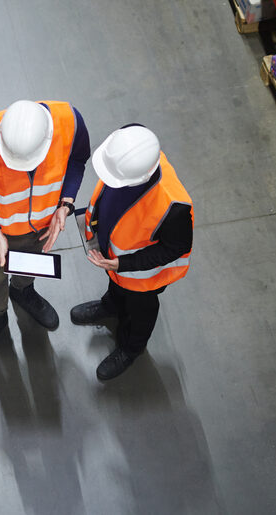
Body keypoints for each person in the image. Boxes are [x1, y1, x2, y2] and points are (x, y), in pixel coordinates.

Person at [0, 99, 90, 365]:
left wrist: (65, 204)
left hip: (44, 222)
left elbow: (78, 160)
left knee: (31, 264)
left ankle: (23, 290)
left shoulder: (70, 123)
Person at [71, 125, 193, 381]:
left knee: (141, 309)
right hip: (115, 261)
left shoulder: (174, 206)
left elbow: (175, 248)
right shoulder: (130, 154)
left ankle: (131, 347)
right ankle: (111, 305)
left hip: (142, 277)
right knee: (117, 289)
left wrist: (123, 264)